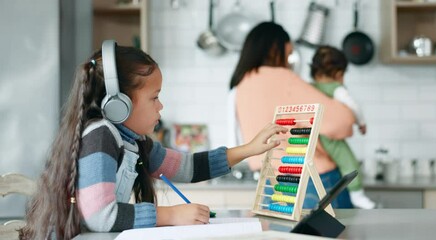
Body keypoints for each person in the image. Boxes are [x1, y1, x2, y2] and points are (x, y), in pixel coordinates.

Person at [19, 40, 288, 240]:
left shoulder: (133, 141)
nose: (161, 106)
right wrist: (170, 215)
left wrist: (250, 149)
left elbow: (187, 167)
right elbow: (100, 216)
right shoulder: (100, 137)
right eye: (154, 97)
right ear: (119, 104)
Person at [228, 22, 355, 209]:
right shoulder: (284, 79)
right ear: (274, 49)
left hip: (271, 185)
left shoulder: (241, 84)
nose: (288, 62)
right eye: (288, 54)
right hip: (312, 182)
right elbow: (342, 123)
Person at [310, 45, 375, 209]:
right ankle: (357, 194)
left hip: (314, 135)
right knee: (349, 162)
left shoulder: (309, 88)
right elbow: (354, 106)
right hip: (330, 137)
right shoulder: (337, 89)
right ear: (338, 73)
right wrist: (361, 122)